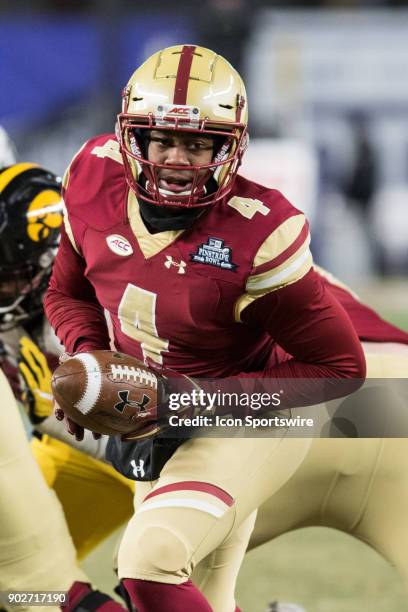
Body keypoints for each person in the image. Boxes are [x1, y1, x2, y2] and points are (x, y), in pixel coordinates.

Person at [45, 45, 365, 611]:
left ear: (230, 148)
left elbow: (341, 367)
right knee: (195, 596)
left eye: (198, 143)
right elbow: (67, 293)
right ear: (130, 138)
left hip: (247, 420)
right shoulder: (91, 174)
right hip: (152, 420)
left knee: (150, 560)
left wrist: (190, 403)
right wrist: (96, 367)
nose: (176, 159)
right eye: (162, 139)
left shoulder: (261, 230)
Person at [191, 269, 408, 611]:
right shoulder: (285, 251)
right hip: (399, 391)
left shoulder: (149, 266)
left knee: (157, 567)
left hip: (297, 411)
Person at [0, 163, 134, 612]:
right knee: (23, 589)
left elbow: (153, 447)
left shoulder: (103, 305)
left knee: (149, 573)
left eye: (7, 278)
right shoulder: (23, 312)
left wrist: (52, 413)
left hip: (146, 464)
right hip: (74, 454)